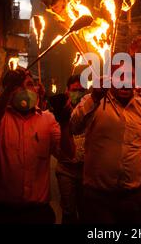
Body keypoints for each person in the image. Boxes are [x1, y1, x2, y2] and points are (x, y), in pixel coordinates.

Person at [70, 67, 141, 224]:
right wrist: (95, 98)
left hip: (132, 195)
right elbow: (74, 127)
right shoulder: (93, 101)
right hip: (97, 196)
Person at [0, 68, 64, 224]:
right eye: (18, 85)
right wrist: (7, 90)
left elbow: (65, 154)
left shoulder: (48, 119)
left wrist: (66, 123)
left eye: (30, 84)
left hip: (38, 213)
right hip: (2, 214)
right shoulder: (0, 118)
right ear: (9, 91)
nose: (26, 90)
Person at [49, 74, 87, 224]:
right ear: (67, 91)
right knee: (69, 211)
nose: (77, 93)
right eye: (74, 90)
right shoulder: (58, 112)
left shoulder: (87, 110)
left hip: (85, 171)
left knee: (86, 210)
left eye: (81, 90)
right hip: (66, 170)